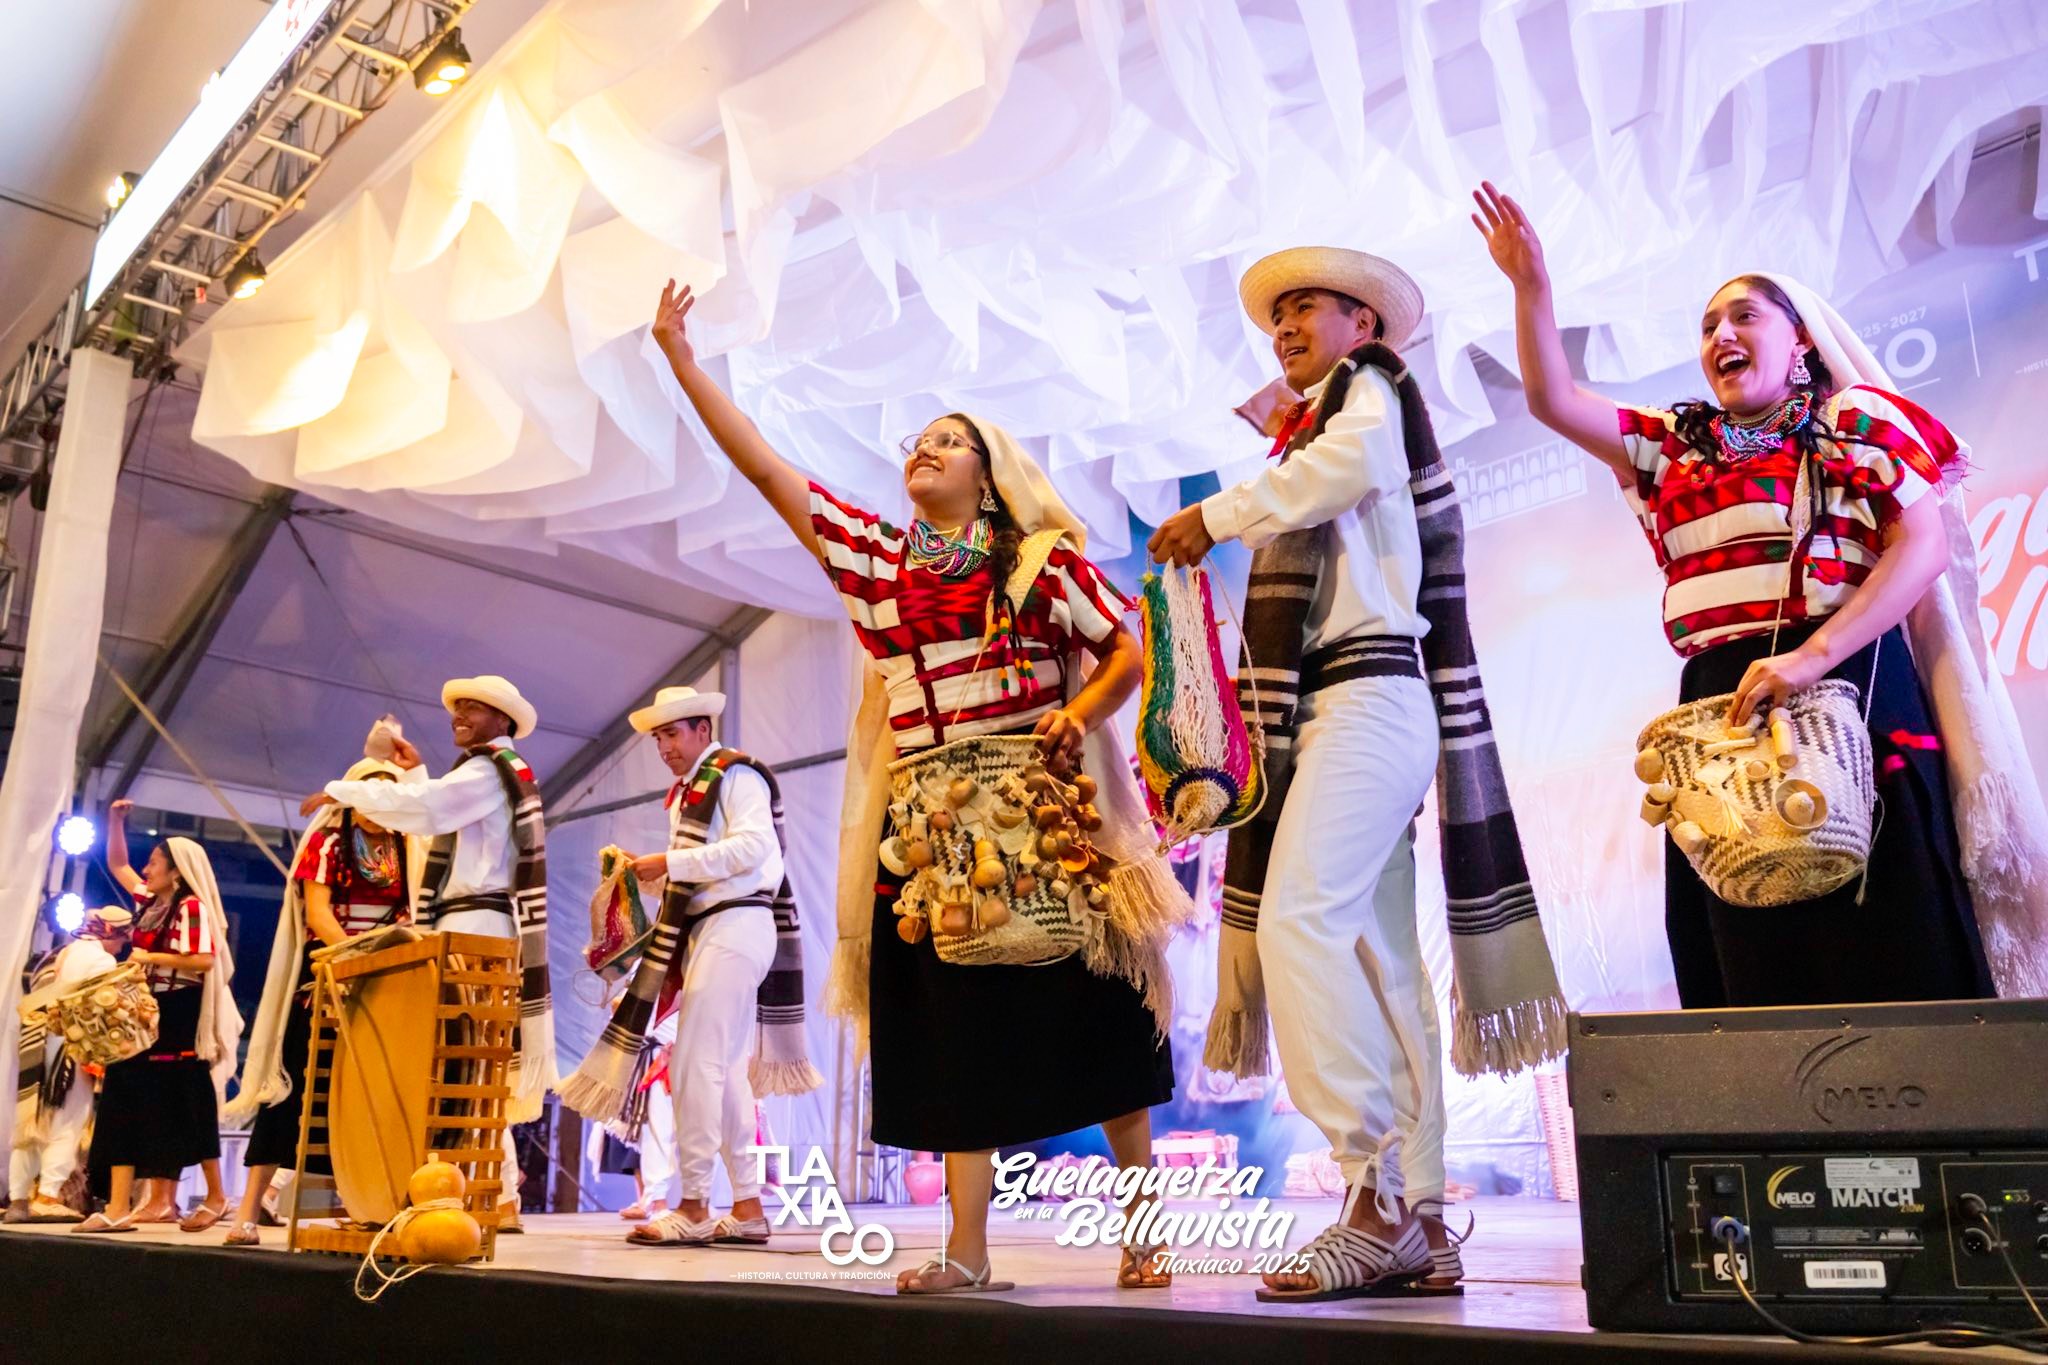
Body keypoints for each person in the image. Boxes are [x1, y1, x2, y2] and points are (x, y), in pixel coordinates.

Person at [648, 279, 1191, 1293]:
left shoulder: (1039, 566)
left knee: (1103, 1021)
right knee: (952, 1040)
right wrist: (682, 362)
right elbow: (765, 468)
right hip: (931, 832)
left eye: (949, 440)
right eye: (918, 442)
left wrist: (1077, 716)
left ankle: (1144, 1233)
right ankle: (967, 1251)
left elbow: (1123, 649)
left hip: (1042, 816)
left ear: (989, 475)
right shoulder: (874, 562)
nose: (925, 450)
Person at [1471, 179, 2046, 1005]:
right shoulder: (1675, 444)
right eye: (1709, 326)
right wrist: (1531, 288)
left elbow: (1921, 547)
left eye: (1745, 316)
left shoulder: (1853, 423)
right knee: (1757, 959)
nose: (1722, 335)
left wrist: (1811, 658)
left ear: (1801, 339)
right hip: (1724, 704)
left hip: (1853, 681)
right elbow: (1553, 399)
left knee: (1896, 938)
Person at [1148, 247, 1566, 1302]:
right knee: (1383, 965)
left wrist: (1217, 513)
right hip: (1344, 708)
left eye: (1306, 308)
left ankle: (1367, 1193)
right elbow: (1330, 475)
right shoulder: (1319, 430)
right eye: (1275, 316)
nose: (1284, 327)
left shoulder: (1367, 393)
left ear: (1363, 326)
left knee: (1297, 920)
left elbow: (1350, 467)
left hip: (1369, 697)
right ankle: (1419, 1212)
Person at [305, 676, 558, 1231]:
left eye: (471, 707)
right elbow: (444, 811)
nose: (457, 715)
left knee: (468, 1061)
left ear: (502, 719)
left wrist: (347, 790)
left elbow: (432, 809)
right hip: (468, 920)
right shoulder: (490, 774)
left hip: (477, 922)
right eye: (455, 707)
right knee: (468, 1062)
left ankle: (490, 1196)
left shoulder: (490, 769)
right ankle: (490, 1196)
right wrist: (416, 773)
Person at [590, 685, 805, 1247]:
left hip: (737, 922)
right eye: (657, 738)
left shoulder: (735, 774)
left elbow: (754, 847)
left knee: (693, 1063)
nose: (664, 747)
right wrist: (651, 873)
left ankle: (692, 1204)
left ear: (703, 729)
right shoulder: (688, 795)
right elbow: (701, 873)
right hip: (713, 927)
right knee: (725, 1070)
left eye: (672, 733)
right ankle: (747, 1207)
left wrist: (670, 861)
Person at [222, 752, 419, 1246]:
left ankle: (367, 1209)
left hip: (384, 975)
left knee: (367, 1093)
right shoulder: (329, 843)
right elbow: (318, 913)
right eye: (369, 792)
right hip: (330, 970)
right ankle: (247, 1210)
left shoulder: (408, 847)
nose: (378, 803)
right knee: (292, 1088)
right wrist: (355, 956)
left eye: (388, 794)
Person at [76, 809, 242, 1233]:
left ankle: (216, 1194)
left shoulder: (190, 907)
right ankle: (118, 1205)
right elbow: (118, 864)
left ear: (176, 871)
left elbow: (204, 960)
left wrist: (148, 957)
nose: (146, 870)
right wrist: (116, 823)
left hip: (178, 1009)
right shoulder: (152, 902)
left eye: (153, 863)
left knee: (188, 1094)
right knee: (122, 1088)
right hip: (146, 1008)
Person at [8, 907, 127, 1222]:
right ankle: (47, 1195)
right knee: (69, 1121)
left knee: (30, 1121)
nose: (121, 946)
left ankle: (19, 1198)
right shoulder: (102, 961)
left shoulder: (60, 953)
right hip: (70, 1047)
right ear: (109, 933)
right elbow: (102, 1012)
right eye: (121, 938)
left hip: (35, 1042)